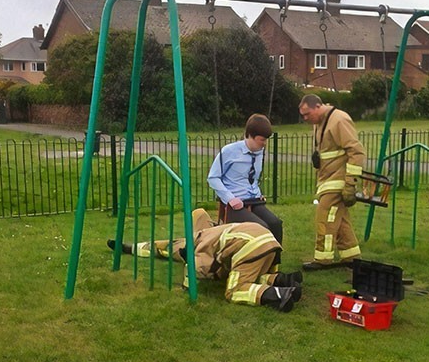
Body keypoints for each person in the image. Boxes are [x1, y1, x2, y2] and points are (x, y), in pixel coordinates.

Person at [107, 208, 302, 312]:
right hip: (268, 240)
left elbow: (199, 269)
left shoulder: (199, 244)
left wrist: (187, 277)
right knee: (251, 273)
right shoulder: (212, 230)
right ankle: (281, 281)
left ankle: (277, 295)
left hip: (249, 247)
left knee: (234, 290)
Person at [298, 94, 365, 270]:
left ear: (318, 106)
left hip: (338, 181)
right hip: (326, 180)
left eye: (307, 114)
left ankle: (322, 258)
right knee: (340, 219)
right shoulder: (319, 122)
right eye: (303, 115)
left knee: (325, 217)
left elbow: (356, 152)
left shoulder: (339, 120)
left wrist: (350, 184)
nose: (305, 119)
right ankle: (351, 257)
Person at [207, 114, 283, 245]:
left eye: (266, 140)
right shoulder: (229, 151)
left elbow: (252, 179)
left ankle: (273, 263)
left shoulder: (259, 153)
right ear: (250, 135)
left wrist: (257, 193)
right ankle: (256, 262)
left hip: (253, 201)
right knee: (260, 228)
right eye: (261, 140)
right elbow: (213, 178)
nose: (265, 144)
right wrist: (230, 199)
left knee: (275, 224)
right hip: (234, 205)